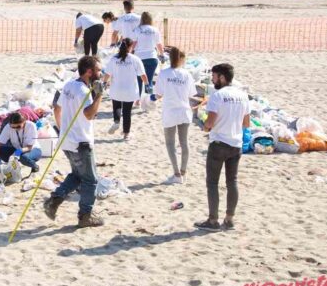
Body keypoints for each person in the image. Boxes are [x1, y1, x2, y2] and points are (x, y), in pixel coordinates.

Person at [42, 56, 105, 228]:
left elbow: (57, 107)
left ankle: (54, 201)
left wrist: (62, 128)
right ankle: (85, 215)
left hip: (67, 140)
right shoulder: (84, 91)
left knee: (77, 175)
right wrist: (99, 95)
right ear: (89, 71)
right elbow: (89, 114)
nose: (100, 74)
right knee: (91, 180)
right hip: (80, 142)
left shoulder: (70, 84)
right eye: (98, 70)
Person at [195, 63, 250, 232]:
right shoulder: (243, 95)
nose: (212, 79)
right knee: (232, 182)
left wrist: (205, 126)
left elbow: (209, 123)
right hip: (236, 144)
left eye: (214, 76)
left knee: (212, 183)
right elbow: (246, 123)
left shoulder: (217, 96)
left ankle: (213, 221)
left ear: (222, 77)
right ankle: (229, 219)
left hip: (219, 144)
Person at [154, 47, 196, 184]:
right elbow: (191, 94)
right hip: (184, 111)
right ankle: (183, 172)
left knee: (170, 143)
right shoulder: (187, 74)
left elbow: (159, 94)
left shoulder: (164, 73)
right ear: (181, 59)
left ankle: (177, 174)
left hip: (170, 111)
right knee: (184, 142)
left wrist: (149, 99)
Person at [103, 38, 147, 140]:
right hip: (130, 90)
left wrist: (104, 82)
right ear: (130, 47)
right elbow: (143, 75)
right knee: (127, 112)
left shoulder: (114, 59)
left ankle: (116, 121)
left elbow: (107, 74)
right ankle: (126, 134)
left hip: (116, 89)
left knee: (117, 106)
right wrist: (147, 85)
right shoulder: (135, 59)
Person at [132, 12, 165, 95]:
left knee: (139, 79)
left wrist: (129, 53)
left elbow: (133, 43)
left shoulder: (137, 29)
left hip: (139, 57)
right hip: (152, 57)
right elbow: (159, 44)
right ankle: (148, 99)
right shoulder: (155, 30)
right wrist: (162, 55)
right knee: (149, 79)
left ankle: (138, 100)